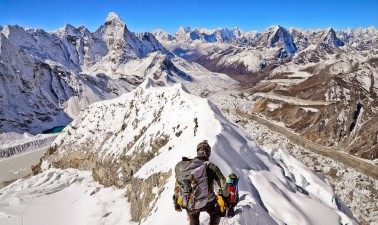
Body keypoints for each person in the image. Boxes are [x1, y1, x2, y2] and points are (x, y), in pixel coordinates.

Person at [173, 140, 230, 225]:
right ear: (209, 153)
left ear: (197, 152)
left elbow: (178, 185)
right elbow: (223, 184)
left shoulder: (188, 167)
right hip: (209, 202)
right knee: (216, 214)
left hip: (191, 202)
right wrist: (227, 198)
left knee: (193, 218)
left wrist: (176, 200)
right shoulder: (211, 166)